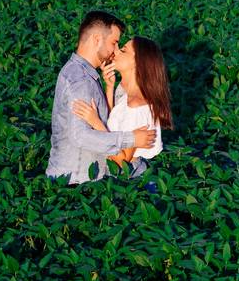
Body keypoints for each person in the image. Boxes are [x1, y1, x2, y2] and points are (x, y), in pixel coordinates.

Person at [46, 11, 157, 184]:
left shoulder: (79, 72)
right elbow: (80, 136)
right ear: (97, 39)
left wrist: (109, 89)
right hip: (77, 180)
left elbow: (107, 122)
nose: (115, 50)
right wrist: (132, 138)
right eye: (114, 42)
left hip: (74, 176)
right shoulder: (81, 80)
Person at [72, 36, 173, 178]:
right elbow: (116, 122)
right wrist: (109, 87)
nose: (116, 52)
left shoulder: (136, 107)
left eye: (123, 51)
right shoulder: (127, 92)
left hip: (128, 176)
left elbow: (122, 161)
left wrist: (95, 122)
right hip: (119, 170)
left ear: (138, 63)